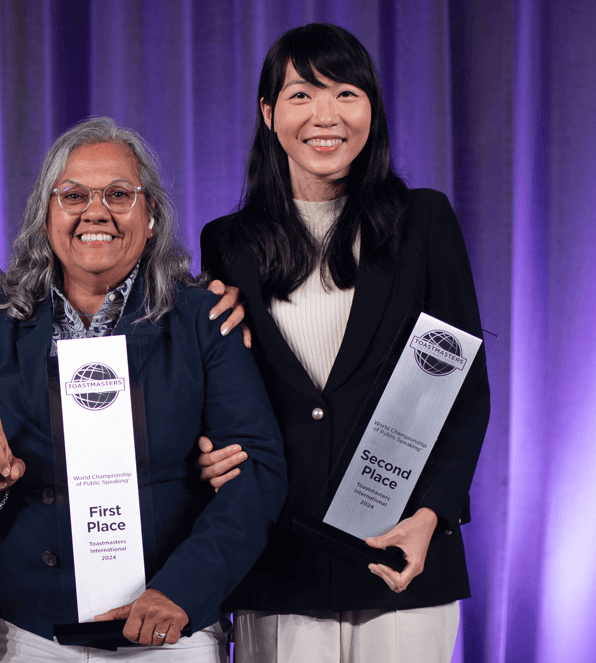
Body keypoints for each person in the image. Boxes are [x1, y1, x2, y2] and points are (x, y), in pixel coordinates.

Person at [0, 117, 288, 662]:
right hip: (23, 629)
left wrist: (183, 591)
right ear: (45, 214)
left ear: (150, 216)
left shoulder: (203, 316)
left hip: (166, 626)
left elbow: (258, 473)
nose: (95, 211)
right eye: (73, 194)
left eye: (119, 194)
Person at [198, 23, 490, 663]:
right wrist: (208, 456)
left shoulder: (425, 221)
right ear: (269, 114)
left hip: (401, 555)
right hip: (279, 558)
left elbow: (465, 397)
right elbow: (224, 390)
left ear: (371, 109)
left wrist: (431, 518)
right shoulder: (227, 241)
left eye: (346, 93)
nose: (325, 115)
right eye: (302, 94)